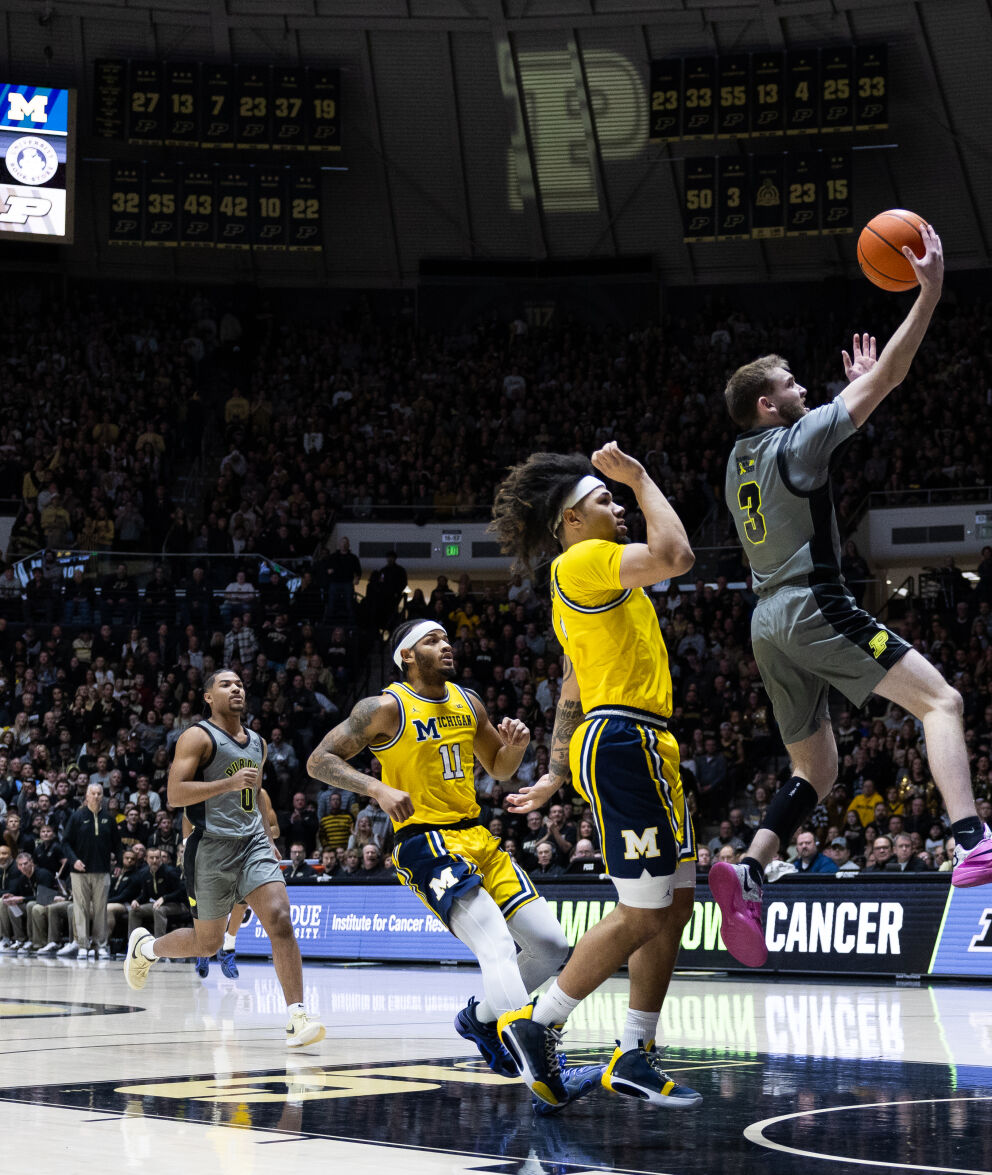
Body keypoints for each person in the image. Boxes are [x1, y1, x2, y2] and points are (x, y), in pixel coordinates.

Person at [710, 223, 992, 967]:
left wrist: (853, 389)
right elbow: (891, 378)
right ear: (769, 406)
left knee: (819, 769)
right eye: (794, 387)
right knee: (942, 702)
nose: (807, 391)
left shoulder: (738, 456)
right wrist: (928, 291)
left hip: (765, 619)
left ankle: (750, 868)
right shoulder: (794, 440)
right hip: (812, 602)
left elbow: (838, 414)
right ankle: (975, 844)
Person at [487, 443, 702, 1110]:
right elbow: (677, 556)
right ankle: (537, 1020)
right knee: (644, 910)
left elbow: (572, 681)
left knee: (675, 905)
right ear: (571, 520)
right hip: (624, 740)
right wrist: (638, 478)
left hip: (636, 739)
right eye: (602, 499)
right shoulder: (583, 559)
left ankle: (634, 1051)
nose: (618, 506)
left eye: (616, 496)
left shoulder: (596, 577)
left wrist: (553, 771)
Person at [309, 618, 571, 1084]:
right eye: (432, 640)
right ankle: (540, 1068)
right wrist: (377, 789)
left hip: (477, 836)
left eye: (447, 638)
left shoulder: (469, 702)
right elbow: (319, 761)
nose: (445, 645)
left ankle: (482, 1019)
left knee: (550, 946)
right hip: (425, 841)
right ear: (407, 656)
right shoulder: (386, 707)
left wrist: (516, 747)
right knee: (495, 944)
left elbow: (499, 767)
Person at [124, 671, 324, 1049]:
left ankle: (297, 1014)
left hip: (252, 844)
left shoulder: (258, 743)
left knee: (280, 918)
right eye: (225, 685)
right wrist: (226, 784)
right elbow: (174, 793)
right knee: (207, 944)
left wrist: (267, 834)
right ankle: (146, 949)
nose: (236, 689)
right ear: (208, 697)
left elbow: (256, 792)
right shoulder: (198, 736)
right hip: (210, 849)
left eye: (240, 684)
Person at [63, 780, 122, 959]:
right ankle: (82, 945)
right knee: (80, 908)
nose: (96, 796)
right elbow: (65, 842)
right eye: (93, 793)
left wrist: (119, 863)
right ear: (87, 796)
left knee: (100, 909)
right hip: (79, 872)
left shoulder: (109, 819)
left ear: (102, 797)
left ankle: (100, 945)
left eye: (99, 794)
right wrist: (74, 861)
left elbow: (117, 844)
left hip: (102, 870)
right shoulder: (77, 816)